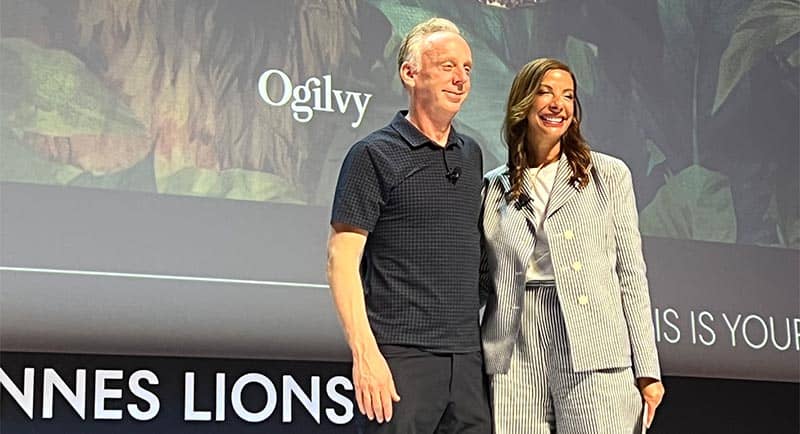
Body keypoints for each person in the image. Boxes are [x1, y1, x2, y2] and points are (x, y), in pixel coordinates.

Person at [480, 58, 665, 433]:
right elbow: (482, 280)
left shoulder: (607, 175)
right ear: (523, 103)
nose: (557, 104)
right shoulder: (492, 187)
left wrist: (647, 369)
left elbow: (631, 275)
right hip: (516, 347)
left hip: (594, 342)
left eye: (568, 96)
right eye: (545, 92)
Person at [327, 17, 491, 434]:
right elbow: (341, 261)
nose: (461, 79)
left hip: (467, 360)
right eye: (447, 66)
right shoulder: (373, 155)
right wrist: (366, 354)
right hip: (402, 359)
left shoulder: (471, 155)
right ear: (410, 72)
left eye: (467, 69)